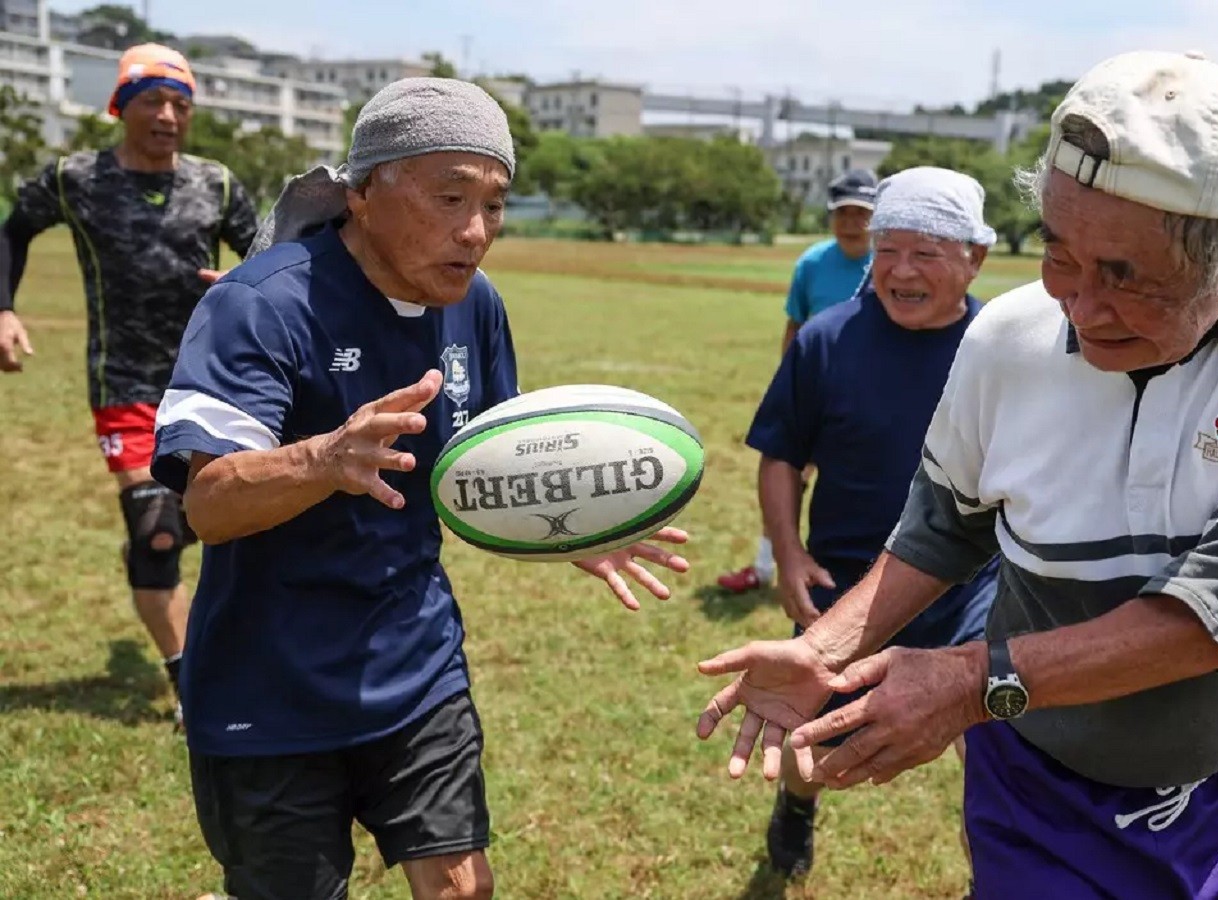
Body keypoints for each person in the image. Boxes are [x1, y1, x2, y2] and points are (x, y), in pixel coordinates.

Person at [697, 50, 1218, 900]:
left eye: (1127, 277)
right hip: (1030, 770)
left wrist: (967, 683)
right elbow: (944, 526)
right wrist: (822, 649)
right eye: (1059, 255)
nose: (1080, 308)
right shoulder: (1007, 335)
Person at [150, 77, 690, 900]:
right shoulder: (259, 303)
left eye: (493, 205)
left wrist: (572, 516)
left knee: (463, 888)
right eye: (449, 198)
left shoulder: (475, 306)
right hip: (268, 685)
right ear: (364, 193)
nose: (475, 232)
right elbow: (209, 505)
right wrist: (324, 459)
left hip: (415, 662)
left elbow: (497, 460)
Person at [745, 167, 1000, 878]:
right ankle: (797, 807)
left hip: (974, 586)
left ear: (975, 258)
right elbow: (781, 456)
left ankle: (999, 868)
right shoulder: (826, 341)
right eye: (888, 250)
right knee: (813, 732)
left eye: (925, 253)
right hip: (847, 582)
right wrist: (788, 554)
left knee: (994, 748)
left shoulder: (1003, 349)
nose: (901, 271)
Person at [0, 43, 259, 729]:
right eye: (153, 101)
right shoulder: (76, 179)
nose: (169, 116)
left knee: (216, 519)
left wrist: (245, 285)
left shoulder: (216, 184)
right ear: (121, 106)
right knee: (157, 533)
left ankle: (162, 543)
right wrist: (3, 309)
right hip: (124, 383)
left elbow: (270, 257)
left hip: (213, 382)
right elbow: (13, 231)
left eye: (180, 104)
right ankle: (191, 684)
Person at [716, 168, 877, 594]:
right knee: (787, 477)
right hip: (818, 392)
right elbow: (796, 324)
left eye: (860, 214)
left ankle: (863, 577)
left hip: (870, 395)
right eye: (842, 213)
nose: (851, 223)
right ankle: (765, 566)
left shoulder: (889, 263)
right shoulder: (812, 263)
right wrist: (792, 384)